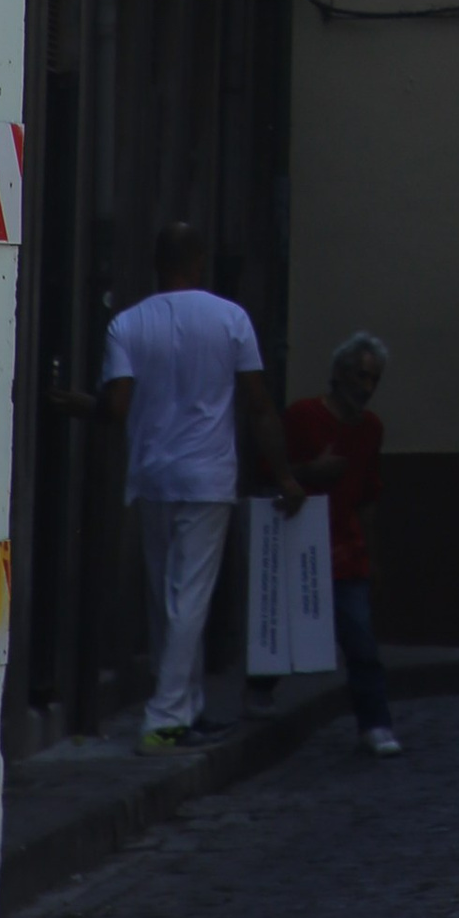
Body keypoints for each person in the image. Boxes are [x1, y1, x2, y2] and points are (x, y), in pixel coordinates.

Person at [103, 221, 300, 751]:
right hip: (208, 474)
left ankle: (185, 709)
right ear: (200, 262)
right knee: (187, 597)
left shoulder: (126, 324)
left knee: (162, 594)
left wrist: (85, 405)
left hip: (151, 474)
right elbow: (258, 405)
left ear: (156, 264)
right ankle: (165, 718)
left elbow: (116, 405)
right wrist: (283, 473)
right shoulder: (231, 320)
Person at [287, 330, 399, 757]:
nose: (365, 387)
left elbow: (369, 494)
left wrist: (372, 554)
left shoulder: (371, 429)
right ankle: (258, 687)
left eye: (373, 379)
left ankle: (375, 722)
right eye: (359, 376)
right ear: (338, 374)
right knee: (284, 627)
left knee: (361, 640)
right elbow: (269, 472)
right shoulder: (301, 416)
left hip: (347, 545)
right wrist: (309, 472)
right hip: (302, 539)